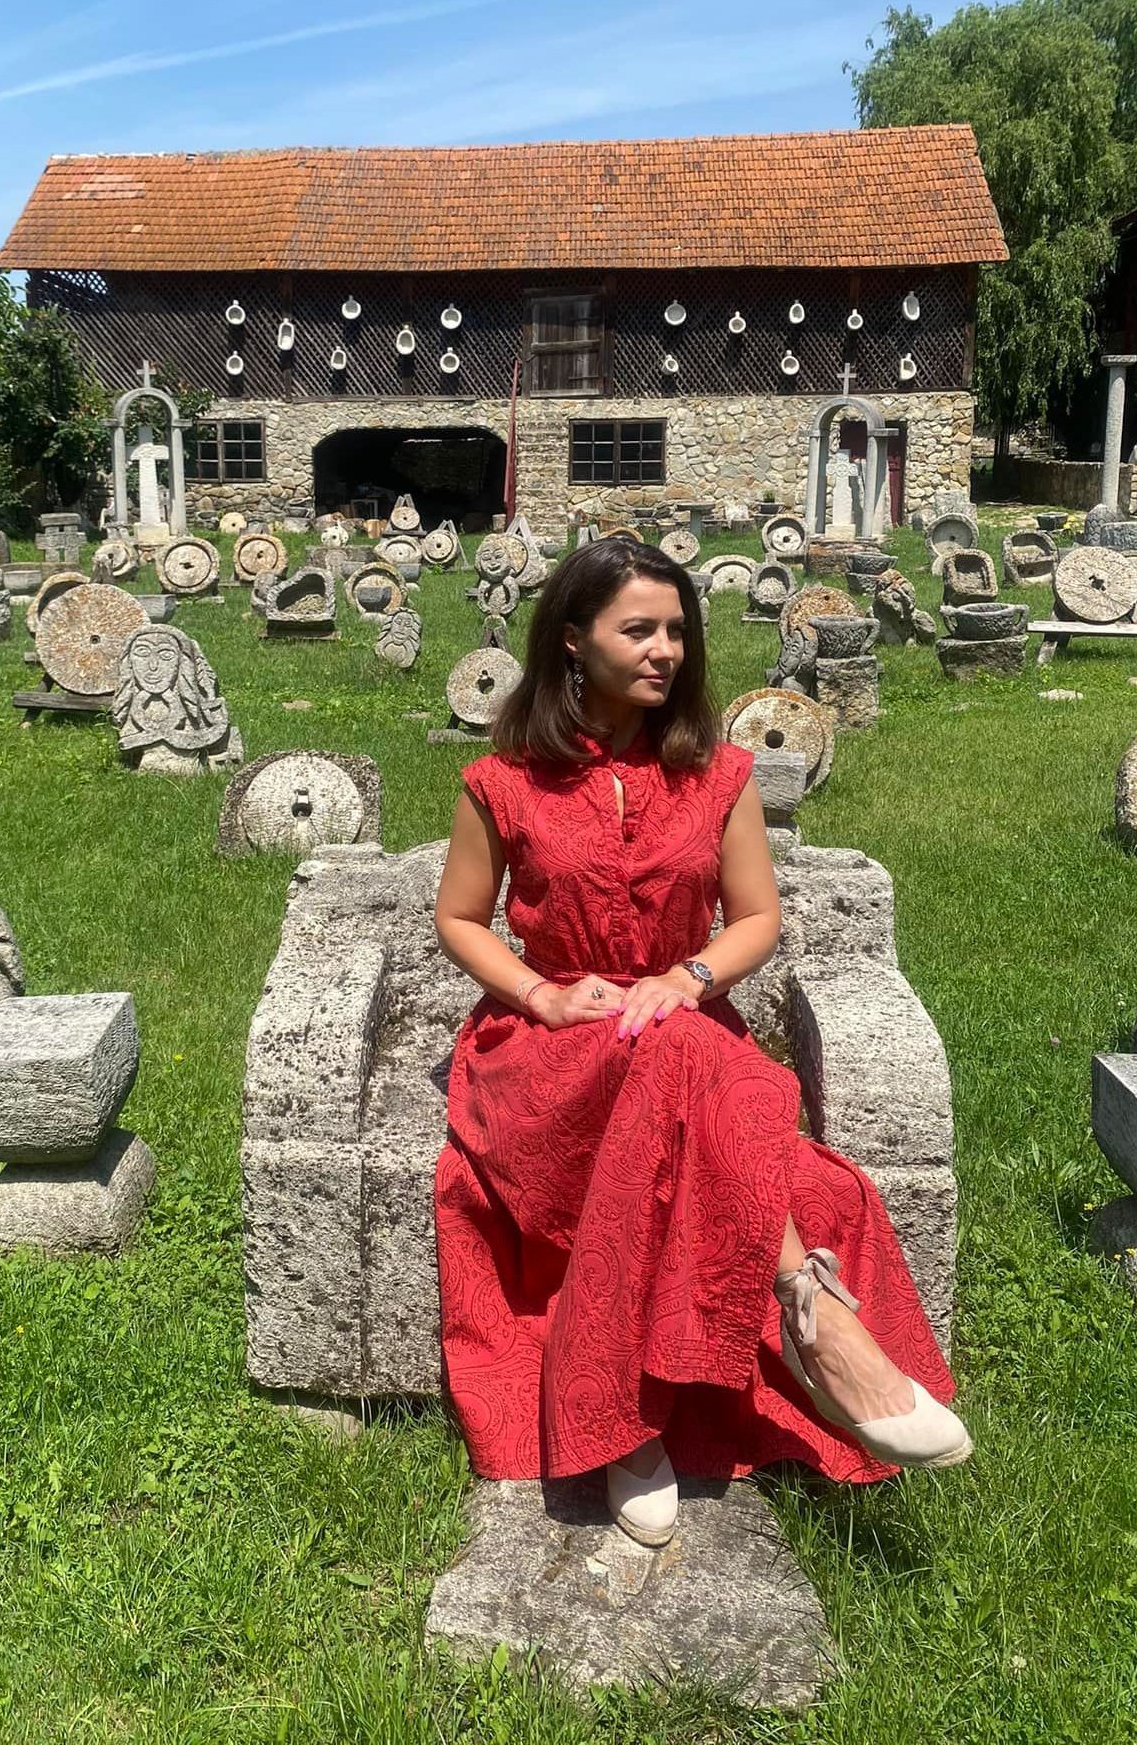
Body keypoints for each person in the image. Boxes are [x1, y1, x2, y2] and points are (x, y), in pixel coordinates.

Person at [432, 535, 970, 1548]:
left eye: (678, 628)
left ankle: (642, 1414)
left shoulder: (719, 774)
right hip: (549, 1055)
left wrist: (686, 976)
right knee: (679, 1055)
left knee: (678, 1041)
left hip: (683, 1031)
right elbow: (459, 918)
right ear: (572, 643)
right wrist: (545, 996)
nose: (666, 648)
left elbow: (755, 919)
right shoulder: (500, 780)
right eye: (639, 628)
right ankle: (810, 1319)